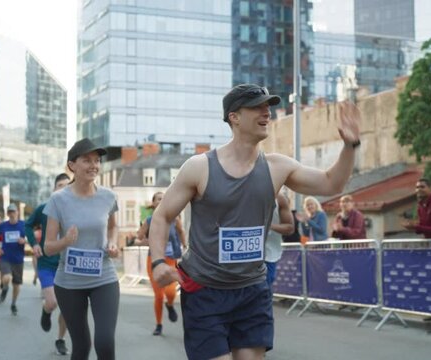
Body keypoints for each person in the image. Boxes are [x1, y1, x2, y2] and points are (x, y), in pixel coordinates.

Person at [148, 83, 361, 360]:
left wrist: (350, 145)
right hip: (205, 290)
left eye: (268, 107)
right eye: (257, 107)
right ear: (234, 117)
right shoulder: (200, 167)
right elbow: (163, 216)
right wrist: (157, 261)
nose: (267, 112)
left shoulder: (277, 167)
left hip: (251, 290)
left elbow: (331, 183)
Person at [43, 138, 120, 360]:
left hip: (103, 277)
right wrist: (65, 241)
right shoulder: (59, 199)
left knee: (105, 342)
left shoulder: (108, 196)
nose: (94, 165)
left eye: (97, 160)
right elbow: (48, 247)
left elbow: (113, 227)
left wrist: (112, 243)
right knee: (82, 346)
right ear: (72, 165)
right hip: (69, 281)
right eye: (87, 160)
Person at [26, 172, 71, 355]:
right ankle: (47, 310)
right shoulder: (44, 208)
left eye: (67, 186)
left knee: (68, 309)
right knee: (52, 302)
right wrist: (34, 244)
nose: (64, 189)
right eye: (60, 186)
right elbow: (28, 225)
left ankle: (60, 339)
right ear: (54, 189)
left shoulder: (77, 210)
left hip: (69, 266)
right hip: (47, 263)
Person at [401, 178, 431, 333]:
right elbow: (425, 229)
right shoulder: (420, 205)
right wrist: (415, 228)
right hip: (430, 250)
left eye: (422, 187)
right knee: (430, 283)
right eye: (416, 187)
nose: (418, 190)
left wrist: (415, 227)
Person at [136, 191, 186, 336]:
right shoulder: (149, 221)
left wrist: (185, 246)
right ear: (154, 203)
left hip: (171, 260)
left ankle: (169, 305)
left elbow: (181, 233)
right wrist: (147, 242)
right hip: (154, 261)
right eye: (158, 199)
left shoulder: (175, 219)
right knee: (158, 295)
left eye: (164, 198)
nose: (162, 201)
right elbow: (138, 238)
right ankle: (159, 324)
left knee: (170, 292)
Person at [0, 203, 27, 316]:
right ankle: (5, 288)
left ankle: (13, 304)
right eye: (10, 212)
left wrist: (24, 241)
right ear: (7, 214)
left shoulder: (23, 225)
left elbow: (30, 237)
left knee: (17, 285)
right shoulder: (3, 226)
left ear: (17, 212)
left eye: (14, 212)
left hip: (18, 259)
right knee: (6, 277)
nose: (12, 214)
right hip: (6, 257)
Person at [265, 193, 294, 286]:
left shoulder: (279, 198)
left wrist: (268, 226)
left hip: (268, 256)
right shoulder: (237, 192)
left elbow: (290, 228)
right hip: (240, 257)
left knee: (263, 292)